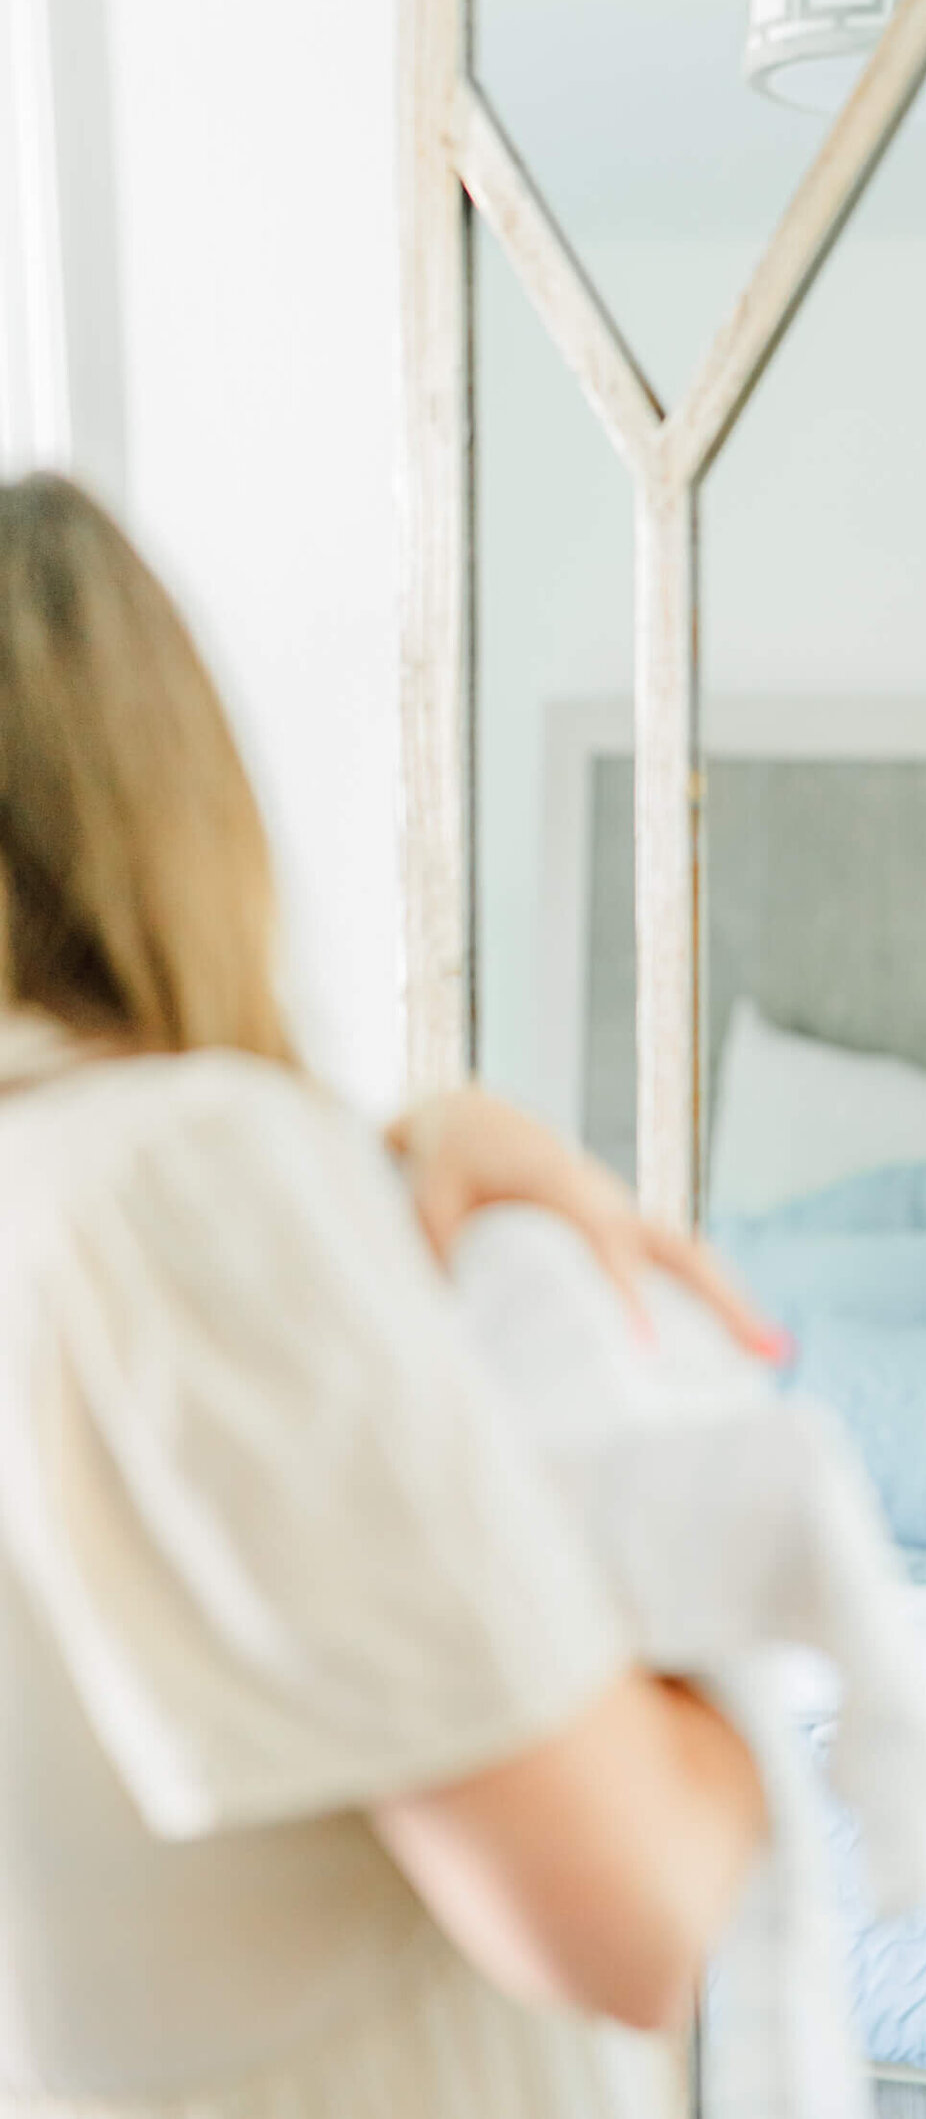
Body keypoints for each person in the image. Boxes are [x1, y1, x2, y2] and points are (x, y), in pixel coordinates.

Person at [0, 472, 780, 2119]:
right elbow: (627, 1913)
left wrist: (396, 1162)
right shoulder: (186, 1180)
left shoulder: (110, 1189)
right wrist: (727, 1593)